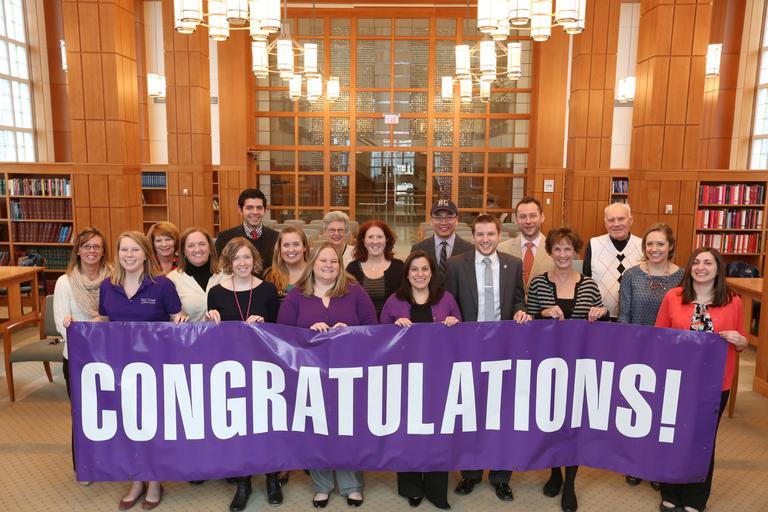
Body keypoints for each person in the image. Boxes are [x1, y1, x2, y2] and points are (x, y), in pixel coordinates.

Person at [277, 242, 378, 508]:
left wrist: (350, 332)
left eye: (334, 262)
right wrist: (308, 333)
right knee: (316, 429)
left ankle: (351, 484)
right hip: (309, 376)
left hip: (348, 374)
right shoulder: (297, 294)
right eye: (323, 261)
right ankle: (322, 485)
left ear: (340, 265)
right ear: (313, 262)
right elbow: (281, 336)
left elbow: (373, 329)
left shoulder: (354, 291)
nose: (329, 266)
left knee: (347, 428)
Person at [444, 214, 531, 501]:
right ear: (473, 235)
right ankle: (470, 474)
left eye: (490, 234)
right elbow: (450, 304)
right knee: (470, 412)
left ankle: (501, 476)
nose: (485, 240)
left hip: (504, 351)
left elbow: (519, 299)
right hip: (468, 351)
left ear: (499, 235)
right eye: (479, 235)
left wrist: (520, 310)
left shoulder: (513, 264)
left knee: (501, 414)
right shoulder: (457, 265)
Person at [655, 247, 748, 512]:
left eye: (708, 262)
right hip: (676, 381)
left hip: (714, 384)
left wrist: (740, 341)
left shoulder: (733, 301)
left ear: (718, 269)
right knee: (672, 437)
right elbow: (659, 337)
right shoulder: (673, 297)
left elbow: (741, 342)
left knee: (703, 441)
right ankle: (670, 493)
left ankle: (696, 500)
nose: (701, 267)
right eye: (696, 262)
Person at [98, 231, 185, 510]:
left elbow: (175, 319)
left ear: (146, 253)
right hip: (120, 367)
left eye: (135, 250)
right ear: (118, 253)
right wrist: (84, 324)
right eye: (124, 250)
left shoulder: (162, 285)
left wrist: (180, 321)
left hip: (156, 368)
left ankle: (155, 480)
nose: (129, 255)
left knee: (153, 424)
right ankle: (136, 480)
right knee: (127, 426)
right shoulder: (108, 286)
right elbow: (103, 318)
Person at [525, 227, 608, 512]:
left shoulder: (588, 285)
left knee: (575, 425)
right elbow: (526, 325)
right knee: (550, 422)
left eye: (568, 249)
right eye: (557, 249)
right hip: (546, 366)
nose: (562, 254)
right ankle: (554, 472)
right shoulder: (538, 284)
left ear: (576, 252)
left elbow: (599, 321)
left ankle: (570, 483)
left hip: (579, 367)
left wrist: (602, 313)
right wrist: (541, 314)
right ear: (550, 252)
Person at [380, 250, 460, 510]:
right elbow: (379, 340)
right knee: (408, 432)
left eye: (425, 269)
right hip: (404, 380)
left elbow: (463, 336)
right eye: (414, 269)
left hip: (440, 378)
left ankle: (437, 490)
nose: (420, 274)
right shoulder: (394, 301)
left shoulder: (446, 299)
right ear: (407, 275)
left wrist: (453, 323)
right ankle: (412, 487)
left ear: (432, 273)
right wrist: (394, 328)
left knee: (439, 433)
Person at [206, 237, 281, 511]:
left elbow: (280, 332)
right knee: (240, 427)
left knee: (268, 425)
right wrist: (209, 320)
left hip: (265, 370)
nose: (242, 263)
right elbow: (211, 335)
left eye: (247, 257)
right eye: (236, 258)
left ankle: (273, 477)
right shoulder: (216, 293)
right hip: (232, 371)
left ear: (255, 260)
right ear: (228, 261)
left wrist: (265, 324)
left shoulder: (268, 290)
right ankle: (243, 482)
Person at [618, 223, 683, 489]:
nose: (654, 249)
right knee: (637, 412)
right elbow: (624, 316)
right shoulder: (632, 275)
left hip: (671, 356)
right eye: (650, 244)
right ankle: (635, 464)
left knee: (664, 414)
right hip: (638, 354)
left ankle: (658, 467)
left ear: (670, 247)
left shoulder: (683, 277)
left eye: (660, 244)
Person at [53, 227, 111, 481]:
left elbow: (116, 314)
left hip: (110, 356)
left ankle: (110, 462)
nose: (92, 251)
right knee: (82, 412)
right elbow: (60, 323)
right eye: (87, 246)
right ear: (78, 250)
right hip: (78, 358)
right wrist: (85, 338)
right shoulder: (65, 282)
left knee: (109, 412)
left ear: (103, 251)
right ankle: (86, 466)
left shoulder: (113, 279)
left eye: (97, 246)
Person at [582, 202, 642, 320]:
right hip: (600, 318)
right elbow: (586, 279)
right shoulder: (594, 244)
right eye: (611, 220)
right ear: (605, 223)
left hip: (634, 319)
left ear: (630, 220)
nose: (616, 224)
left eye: (621, 219)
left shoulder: (643, 246)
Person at [345, 220, 404, 316]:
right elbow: (347, 302)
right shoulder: (352, 268)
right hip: (361, 327)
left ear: (387, 240)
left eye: (380, 237)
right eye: (370, 237)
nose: (375, 241)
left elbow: (405, 300)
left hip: (392, 326)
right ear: (364, 241)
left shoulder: (399, 267)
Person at [215, 188, 279, 276]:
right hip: (235, 288)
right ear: (240, 210)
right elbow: (217, 269)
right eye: (249, 208)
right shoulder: (224, 238)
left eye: (259, 208)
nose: (255, 212)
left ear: (264, 210)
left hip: (268, 288)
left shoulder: (277, 238)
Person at [498, 196, 555, 292]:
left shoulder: (556, 250)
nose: (528, 221)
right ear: (516, 220)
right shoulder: (501, 249)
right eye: (523, 217)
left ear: (542, 217)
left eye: (532, 216)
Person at [166, 228, 224, 322]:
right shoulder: (172, 279)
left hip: (224, 335)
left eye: (202, 244)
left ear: (210, 248)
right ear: (184, 251)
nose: (197, 249)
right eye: (191, 246)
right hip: (190, 336)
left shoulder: (227, 275)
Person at [411, 199, 474, 285]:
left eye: (449, 217)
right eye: (438, 217)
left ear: (456, 220)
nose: (444, 222)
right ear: (431, 221)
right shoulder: (418, 249)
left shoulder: (470, 250)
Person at [265, 226, 309, 299]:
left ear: (304, 247)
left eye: (296, 244)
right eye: (286, 245)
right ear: (280, 248)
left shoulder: (316, 274)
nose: (291, 250)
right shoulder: (271, 277)